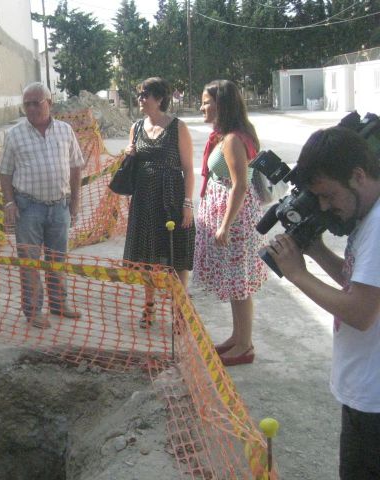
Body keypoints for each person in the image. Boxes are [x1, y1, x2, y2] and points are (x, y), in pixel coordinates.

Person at [265, 126, 380, 479]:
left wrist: (298, 273)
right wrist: (316, 251)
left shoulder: (377, 227)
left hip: (373, 401)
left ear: (358, 176)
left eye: (330, 196)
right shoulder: (368, 218)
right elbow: (359, 286)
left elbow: (361, 313)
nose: (327, 208)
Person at [193, 79, 268, 366]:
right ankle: (237, 338)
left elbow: (239, 186)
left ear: (221, 105)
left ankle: (244, 346)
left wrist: (224, 224)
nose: (202, 107)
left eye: (206, 102)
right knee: (236, 284)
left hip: (235, 221)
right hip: (232, 216)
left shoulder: (234, 139)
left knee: (240, 285)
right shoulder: (228, 135)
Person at [0, 82, 85, 329]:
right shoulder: (15, 135)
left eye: (37, 102)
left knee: (58, 258)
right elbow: (5, 173)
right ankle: (34, 310)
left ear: (50, 102)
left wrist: (75, 201)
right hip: (28, 209)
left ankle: (59, 304)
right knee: (30, 261)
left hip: (59, 207)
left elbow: (76, 166)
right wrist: (8, 202)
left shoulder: (65, 131)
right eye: (27, 104)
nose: (32, 108)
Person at [121, 77, 196, 328]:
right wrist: (129, 156)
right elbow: (130, 165)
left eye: (145, 95)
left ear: (159, 99)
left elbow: (188, 169)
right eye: (140, 95)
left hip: (172, 198)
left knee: (177, 256)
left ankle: (179, 309)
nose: (141, 100)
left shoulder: (178, 127)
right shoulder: (136, 127)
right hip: (144, 201)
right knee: (147, 256)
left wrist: (188, 204)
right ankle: (149, 307)